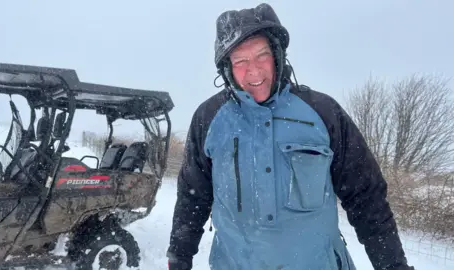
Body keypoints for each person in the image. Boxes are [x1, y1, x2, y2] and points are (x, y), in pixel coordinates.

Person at [167, 3, 415, 270]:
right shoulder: (209, 118)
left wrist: (393, 265)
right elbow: (193, 195)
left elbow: (367, 198)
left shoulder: (324, 113)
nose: (254, 71)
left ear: (276, 54)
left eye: (261, 55)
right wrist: (180, 254)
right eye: (240, 61)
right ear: (227, 68)